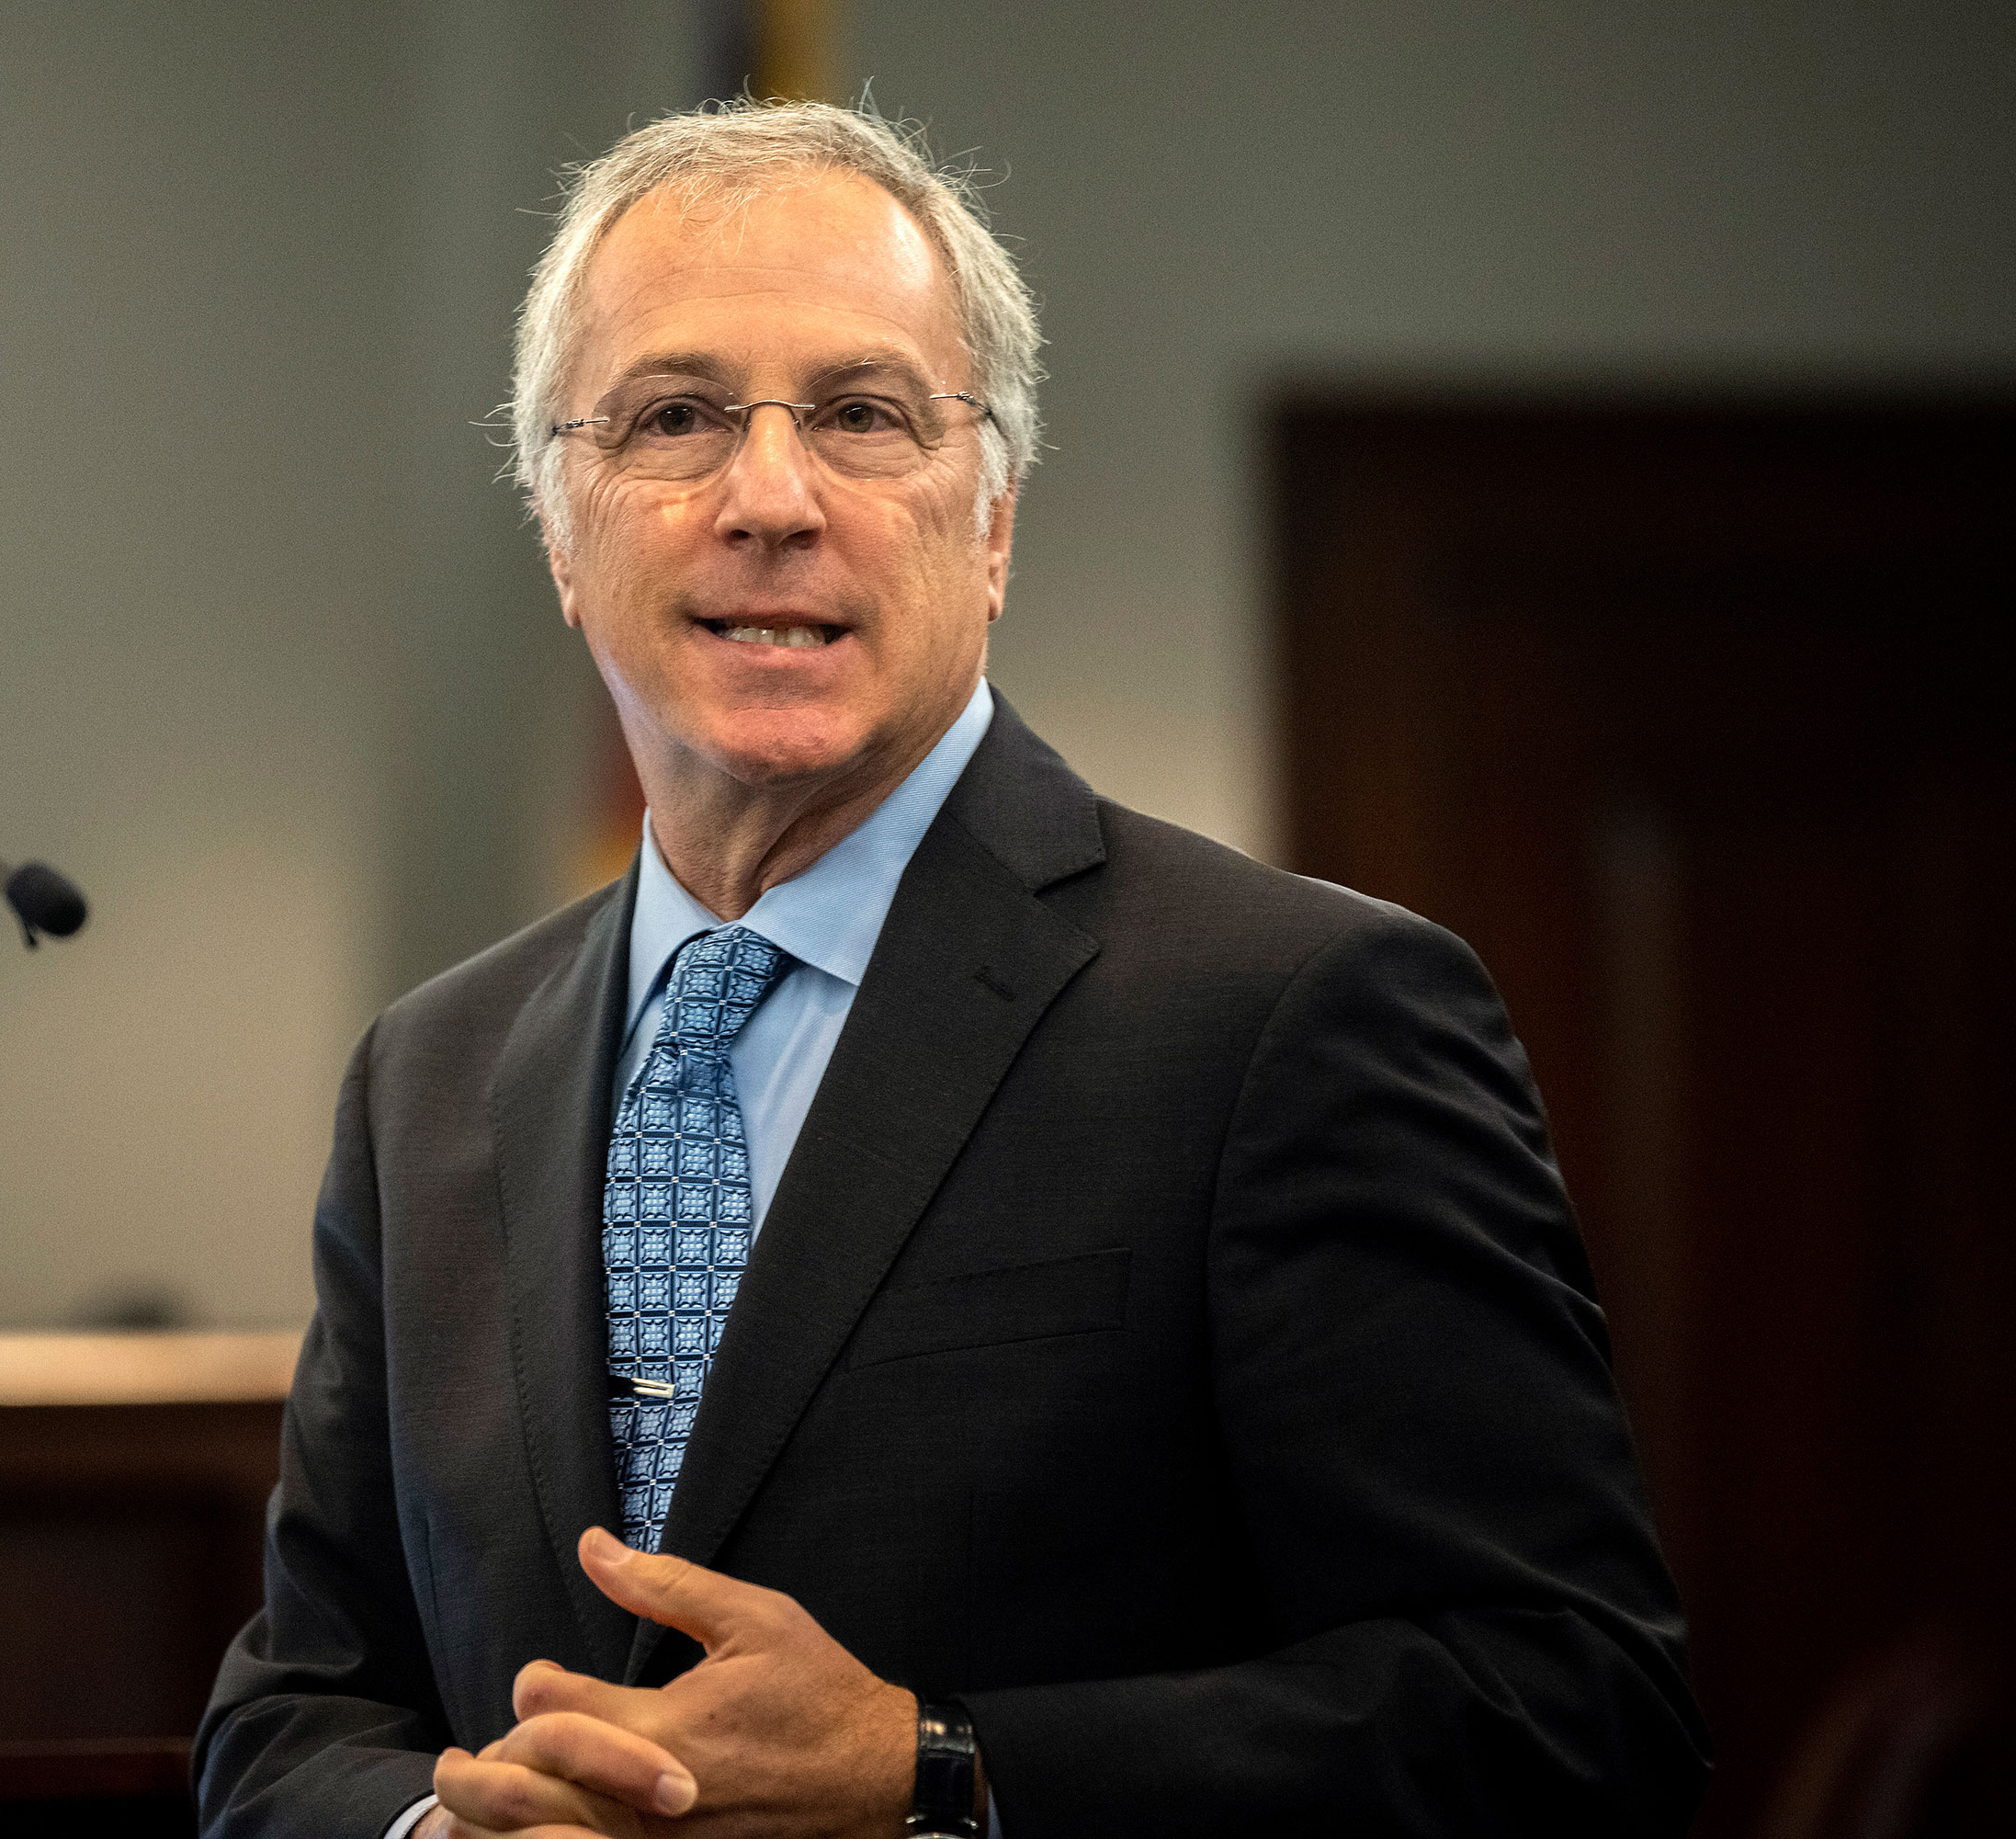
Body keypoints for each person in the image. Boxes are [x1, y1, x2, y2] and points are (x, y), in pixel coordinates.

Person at [192, 100, 1709, 1838]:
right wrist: (440, 1831)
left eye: (861, 415)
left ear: (991, 525)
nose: (769, 499)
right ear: (560, 529)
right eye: (676, 418)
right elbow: (295, 1712)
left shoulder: (1295, 1016)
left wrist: (940, 1773)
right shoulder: (431, 1074)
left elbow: (1574, 1707)